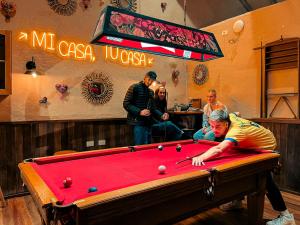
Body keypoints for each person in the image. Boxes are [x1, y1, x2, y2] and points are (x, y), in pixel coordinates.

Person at [192, 109, 296, 225]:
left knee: (264, 178)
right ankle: (237, 202)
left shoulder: (236, 131)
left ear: (226, 123)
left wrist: (201, 157)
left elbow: (219, 149)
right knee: (239, 168)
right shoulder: (230, 116)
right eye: (212, 126)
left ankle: (286, 217)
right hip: (251, 144)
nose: (214, 130)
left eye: (218, 126)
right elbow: (237, 113)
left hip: (265, 146)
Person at [123, 71, 163, 145]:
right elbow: (126, 104)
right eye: (149, 79)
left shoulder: (151, 92)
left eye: (152, 80)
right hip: (137, 123)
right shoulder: (134, 87)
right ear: (145, 78)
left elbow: (153, 108)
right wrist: (139, 111)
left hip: (148, 123)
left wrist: (161, 115)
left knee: (147, 147)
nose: (150, 82)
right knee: (139, 148)